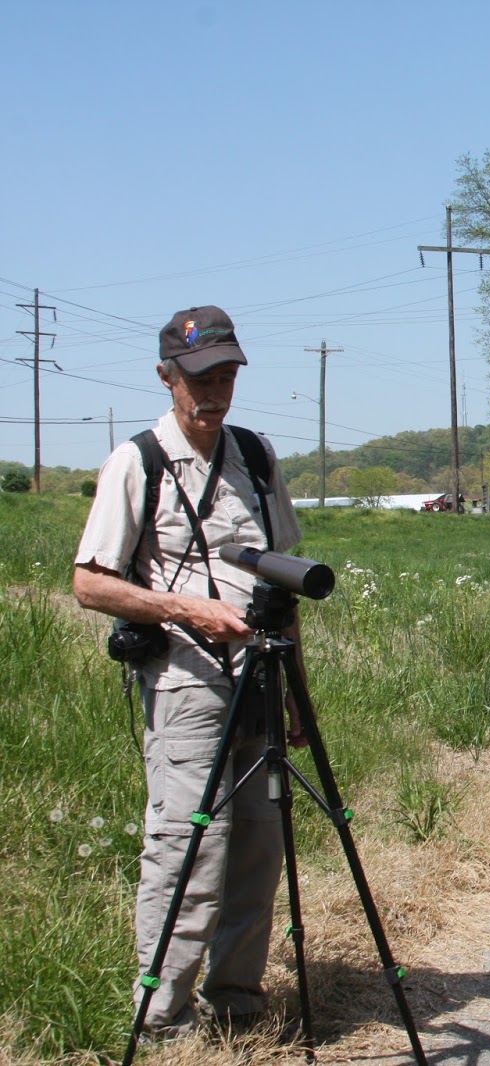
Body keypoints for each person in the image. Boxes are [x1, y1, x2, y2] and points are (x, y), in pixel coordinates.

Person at [72, 305, 302, 1039]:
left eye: (228, 374)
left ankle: (237, 1005)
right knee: (188, 851)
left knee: (259, 851)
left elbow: (286, 582)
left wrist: (300, 694)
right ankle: (161, 1022)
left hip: (262, 683)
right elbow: (89, 583)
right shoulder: (137, 460)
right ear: (167, 376)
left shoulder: (256, 457)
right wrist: (184, 609)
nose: (215, 391)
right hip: (186, 684)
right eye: (200, 377)